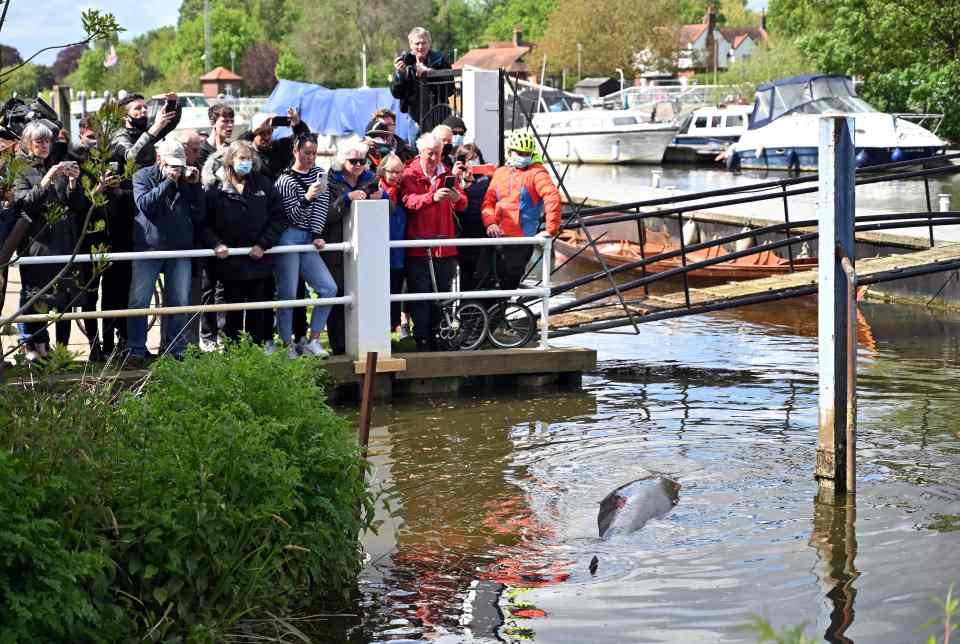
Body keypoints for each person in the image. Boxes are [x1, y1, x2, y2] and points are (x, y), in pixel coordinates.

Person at [105, 92, 180, 358]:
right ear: (124, 114)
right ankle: (113, 344)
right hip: (121, 216)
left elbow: (170, 122)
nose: (143, 112)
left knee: (135, 285)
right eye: (137, 109)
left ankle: (133, 343)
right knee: (120, 284)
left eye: (145, 108)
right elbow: (130, 157)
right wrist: (155, 129)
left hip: (145, 214)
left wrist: (173, 102)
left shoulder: (147, 131)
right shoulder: (118, 136)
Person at [12, 121, 87, 360]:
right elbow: (23, 205)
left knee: (65, 302)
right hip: (37, 247)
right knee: (37, 300)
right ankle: (37, 350)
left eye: (47, 141)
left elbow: (76, 206)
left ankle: (62, 352)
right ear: (27, 143)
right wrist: (47, 180)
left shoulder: (55, 166)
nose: (44, 146)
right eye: (39, 141)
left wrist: (74, 182)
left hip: (64, 245)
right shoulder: (21, 170)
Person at [202, 140, 287, 346]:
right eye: (242, 158)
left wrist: (263, 245)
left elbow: (279, 217)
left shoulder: (264, 184)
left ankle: (256, 352)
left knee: (258, 315)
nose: (246, 163)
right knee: (231, 316)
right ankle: (231, 352)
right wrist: (216, 244)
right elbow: (202, 223)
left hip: (258, 261)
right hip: (228, 264)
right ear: (230, 160)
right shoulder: (215, 187)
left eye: (249, 158)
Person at [128, 138, 204, 367]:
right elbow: (146, 205)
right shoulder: (142, 176)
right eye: (172, 165)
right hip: (147, 248)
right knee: (139, 301)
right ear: (160, 159)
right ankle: (136, 350)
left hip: (180, 248)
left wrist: (195, 186)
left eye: (179, 166)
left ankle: (175, 349)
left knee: (179, 301)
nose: (176, 170)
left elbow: (199, 214)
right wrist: (169, 183)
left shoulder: (185, 180)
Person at [273, 132, 339, 359]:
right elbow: (289, 215)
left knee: (329, 288)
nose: (311, 157)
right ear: (295, 151)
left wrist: (316, 234)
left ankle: (313, 340)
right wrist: (307, 198)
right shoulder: (284, 180)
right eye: (306, 153)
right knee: (288, 293)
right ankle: (285, 344)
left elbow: (322, 208)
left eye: (314, 153)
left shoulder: (320, 174)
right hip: (288, 236)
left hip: (308, 238)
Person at [400, 132, 466, 351]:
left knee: (443, 295)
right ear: (420, 152)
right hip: (419, 246)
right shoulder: (409, 175)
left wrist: (456, 198)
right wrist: (432, 197)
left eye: (438, 154)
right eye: (430, 154)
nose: (434, 158)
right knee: (420, 294)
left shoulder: (446, 174)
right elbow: (409, 201)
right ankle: (422, 339)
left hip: (444, 246)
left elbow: (462, 203)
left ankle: (439, 336)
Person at [481, 131, 561, 292]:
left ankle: (498, 316)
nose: (524, 156)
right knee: (482, 278)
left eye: (527, 154)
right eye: (520, 153)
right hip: (496, 236)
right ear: (509, 152)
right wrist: (490, 223)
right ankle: (485, 316)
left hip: (520, 240)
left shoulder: (537, 173)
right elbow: (488, 202)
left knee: (507, 283)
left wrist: (550, 230)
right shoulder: (500, 172)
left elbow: (552, 196)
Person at [328, 139, 382, 355]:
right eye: (353, 161)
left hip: (365, 252)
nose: (358, 165)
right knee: (338, 295)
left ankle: (365, 342)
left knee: (364, 295)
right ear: (343, 161)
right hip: (337, 248)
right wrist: (346, 198)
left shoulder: (371, 181)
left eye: (362, 161)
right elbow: (327, 214)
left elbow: (391, 210)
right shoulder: (330, 182)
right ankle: (339, 345)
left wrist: (381, 198)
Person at [390, 27, 451, 131]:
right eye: (417, 43)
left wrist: (430, 72)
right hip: (414, 117)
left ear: (429, 43)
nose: (421, 47)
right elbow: (397, 93)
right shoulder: (405, 61)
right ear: (410, 45)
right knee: (416, 147)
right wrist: (400, 74)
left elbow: (449, 89)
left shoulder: (440, 59)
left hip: (439, 115)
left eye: (424, 43)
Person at [453, 143, 494, 293]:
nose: (471, 164)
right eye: (467, 160)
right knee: (464, 273)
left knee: (482, 274)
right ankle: (464, 312)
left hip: (482, 230)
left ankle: (478, 312)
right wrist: (457, 180)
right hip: (461, 233)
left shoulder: (488, 178)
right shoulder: (455, 178)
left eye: (475, 159)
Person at [376, 153, 407, 332]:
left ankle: (395, 324)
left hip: (399, 246)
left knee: (396, 286)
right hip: (382, 246)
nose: (396, 176)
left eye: (399, 172)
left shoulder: (403, 190)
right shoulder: (376, 189)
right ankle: (383, 325)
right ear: (382, 170)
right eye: (392, 172)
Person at [241, 107, 309, 182]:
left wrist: (298, 124)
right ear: (254, 134)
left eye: (269, 132)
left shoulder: (281, 147)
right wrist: (252, 132)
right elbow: (236, 147)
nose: (266, 137)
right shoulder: (248, 153)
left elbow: (305, 141)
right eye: (261, 133)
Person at [198, 102, 234, 173]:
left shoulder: (231, 149)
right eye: (225, 121)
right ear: (212, 123)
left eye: (232, 121)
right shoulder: (200, 152)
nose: (230, 125)